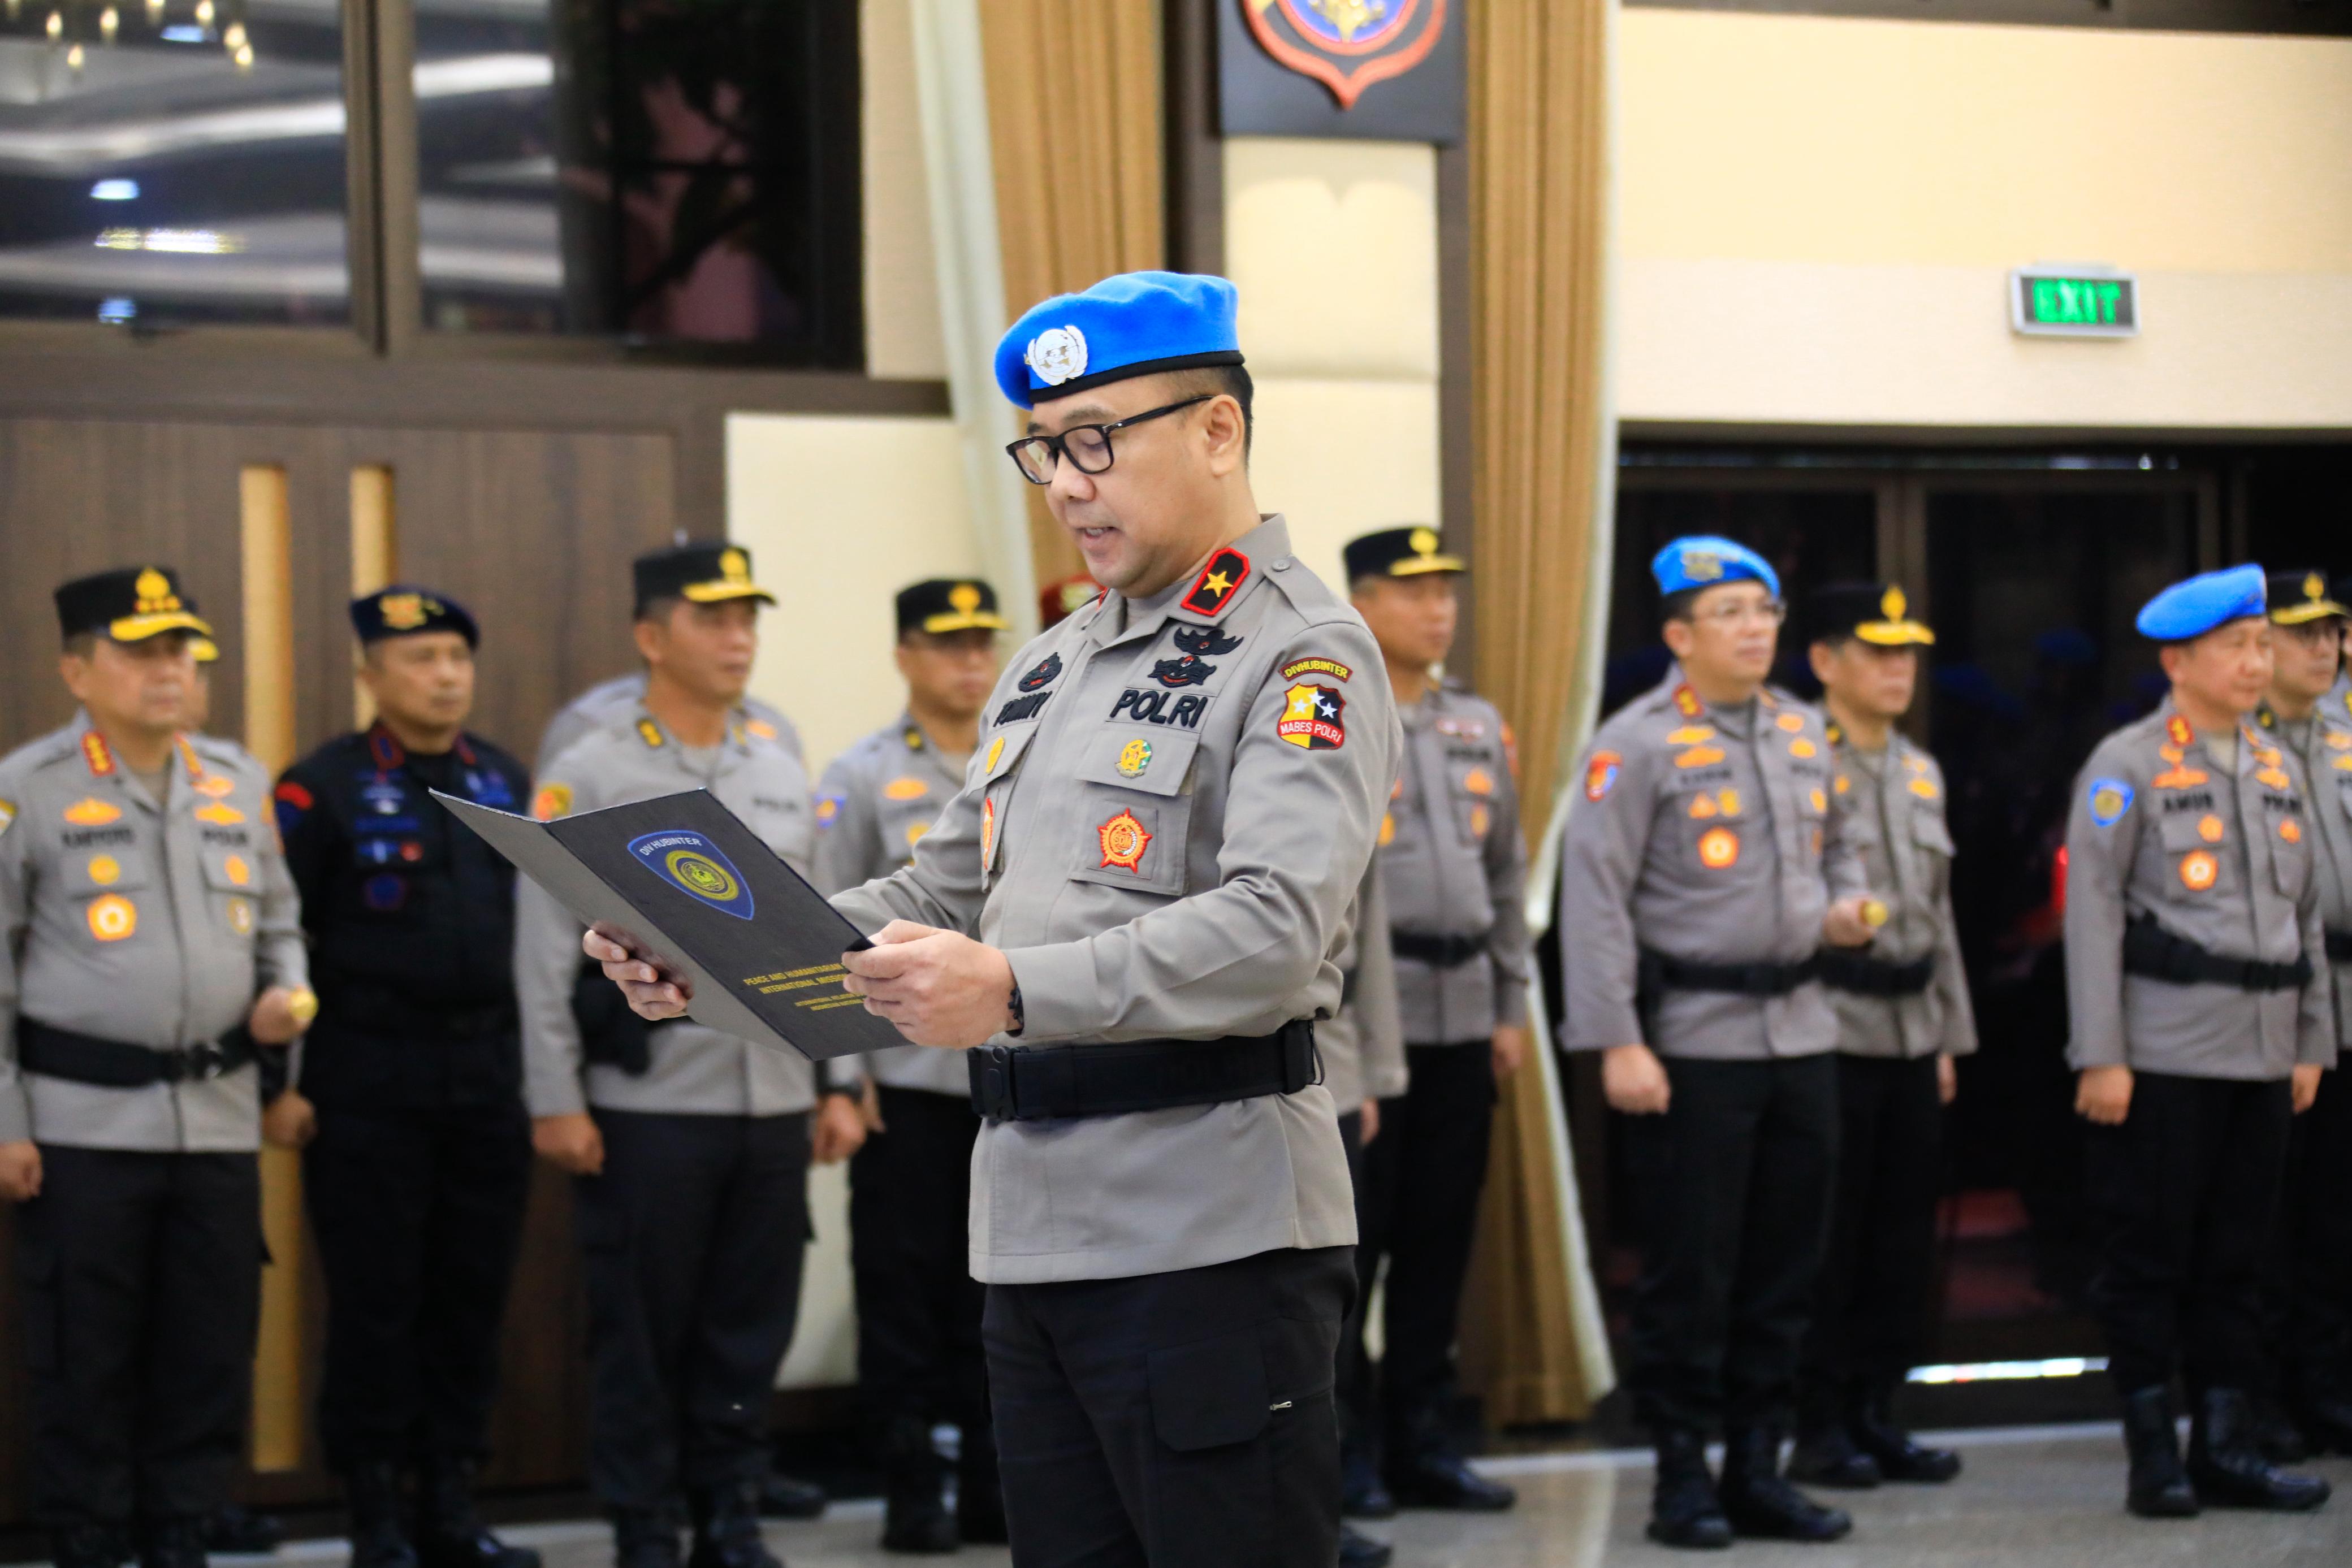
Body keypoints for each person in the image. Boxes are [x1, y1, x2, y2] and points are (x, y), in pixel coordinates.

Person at [589, 270, 1399, 1568]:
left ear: (1217, 430)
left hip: (1208, 1227)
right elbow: (940, 889)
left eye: (1096, 443)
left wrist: (1013, 990)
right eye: (1045, 452)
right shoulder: (1051, 661)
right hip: (1030, 1229)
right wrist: (712, 953)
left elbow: (1275, 931)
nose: (1066, 485)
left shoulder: (1300, 651)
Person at [516, 544, 869, 1568]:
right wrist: (554, 1095)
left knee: (749, 1324)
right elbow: (541, 946)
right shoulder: (591, 762)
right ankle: (645, 1523)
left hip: (772, 1098)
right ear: (651, 636)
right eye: (712, 618)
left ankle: (732, 1515)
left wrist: (840, 1078)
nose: (738, 637)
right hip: (649, 1100)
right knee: (640, 1327)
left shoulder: (778, 757)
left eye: (748, 617)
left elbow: (821, 931)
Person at [1558, 536, 1879, 1549]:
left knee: (1784, 1270)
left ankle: (1756, 1467)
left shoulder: (1804, 728)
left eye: (1765, 610)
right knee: (1690, 1274)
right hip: (1692, 1043)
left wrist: (1845, 906)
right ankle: (1680, 1477)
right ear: (1679, 635)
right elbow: (1594, 902)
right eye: (1730, 612)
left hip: (1804, 1031)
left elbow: (1845, 844)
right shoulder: (1636, 742)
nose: (1754, 628)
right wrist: (1617, 1040)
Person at [0, 568, 310, 1568]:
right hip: (81, 1125)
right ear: (76, 670)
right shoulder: (26, 788)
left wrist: (288, 1004)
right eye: (140, 651)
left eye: (181, 649)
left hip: (217, 1116)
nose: (170, 669)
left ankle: (184, 1530)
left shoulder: (237, 778)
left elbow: (281, 925)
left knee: (207, 1347)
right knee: (85, 1354)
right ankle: (90, 1536)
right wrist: (5, 1120)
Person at [269, 588, 540, 1568]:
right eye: (422, 656)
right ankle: (375, 1512)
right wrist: (282, 1080)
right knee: (376, 1303)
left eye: (458, 655)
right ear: (371, 673)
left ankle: (452, 1504)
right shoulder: (320, 788)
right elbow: (280, 940)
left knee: (470, 1298)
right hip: (367, 1078)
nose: (446, 674)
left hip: (488, 1075)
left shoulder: (503, 779)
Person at [2064, 564, 2334, 1519]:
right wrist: (2102, 1053)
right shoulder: (2127, 764)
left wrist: (2313, 1040)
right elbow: (2093, 915)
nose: (2256, 661)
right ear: (2177, 661)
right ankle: (2154, 1455)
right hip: (2165, 1053)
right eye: (2235, 646)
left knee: (2239, 1260)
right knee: (2150, 1257)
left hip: (2264, 1050)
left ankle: (2226, 1445)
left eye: (2262, 644)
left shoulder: (2278, 764)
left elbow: (2303, 918)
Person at [810, 577, 1010, 1553]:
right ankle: (910, 1487)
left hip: (1008, 1074)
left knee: (998, 1294)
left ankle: (993, 1485)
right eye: (947, 643)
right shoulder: (860, 773)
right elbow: (828, 929)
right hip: (906, 1088)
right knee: (902, 1293)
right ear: (904, 655)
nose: (971, 662)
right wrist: (841, 1080)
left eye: (983, 642)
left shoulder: (1019, 755)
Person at [1340, 525, 1527, 1514]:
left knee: (1439, 1239)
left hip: (1465, 1015)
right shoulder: (1330, 714)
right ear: (1363, 603)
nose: (1439, 608)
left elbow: (1508, 876)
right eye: (1414, 591)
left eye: (1446, 590)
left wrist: (1511, 1003)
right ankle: (1348, 1450)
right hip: (1376, 1025)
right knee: (1355, 1247)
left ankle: (1422, 1439)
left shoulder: (1476, 723)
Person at [1785, 584, 1973, 1490]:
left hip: (1911, 1028)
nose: (1900, 670)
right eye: (1879, 652)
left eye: (1908, 654)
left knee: (1901, 1239)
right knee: (1831, 1236)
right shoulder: (1799, 761)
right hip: (1831, 1024)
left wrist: (1948, 1034)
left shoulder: (1920, 768)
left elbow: (1940, 918)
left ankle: (1877, 1410)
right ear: (1826, 661)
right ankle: (1817, 1423)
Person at [2252, 570, 2352, 1456]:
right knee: (2270, 1212)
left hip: (2350, 999)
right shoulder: (2237, 745)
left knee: (2335, 1214)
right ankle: (2263, 1396)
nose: (2325, 648)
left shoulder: (2345, 735)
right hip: (2276, 1007)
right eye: (2304, 633)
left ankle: (2326, 1386)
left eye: (2333, 631)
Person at [1322, 857, 1407, 1568]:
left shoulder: (1338, 793)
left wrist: (1375, 1072)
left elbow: (1368, 936)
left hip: (1331, 1063)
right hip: (1206, 1073)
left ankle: (1327, 1497)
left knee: (1331, 1306)